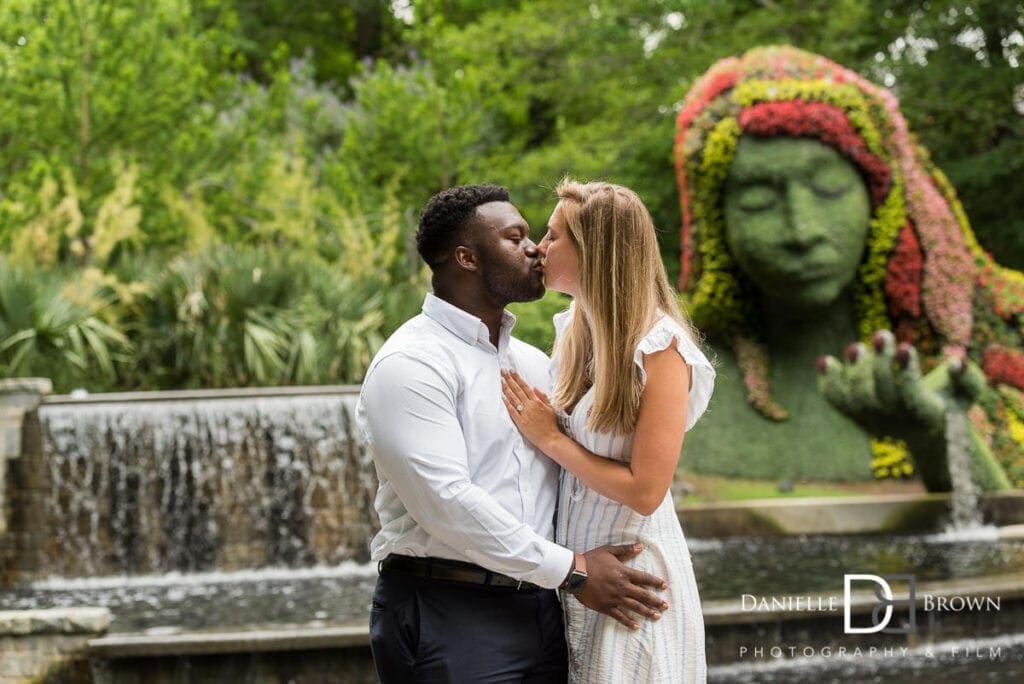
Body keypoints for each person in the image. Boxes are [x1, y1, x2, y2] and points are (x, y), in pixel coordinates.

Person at [357, 183, 671, 683]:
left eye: (536, 235)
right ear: (466, 257)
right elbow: (446, 501)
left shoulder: (532, 363)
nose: (535, 248)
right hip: (450, 611)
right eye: (515, 236)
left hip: (544, 613)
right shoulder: (412, 363)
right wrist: (574, 570)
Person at [672, 44, 1017, 491]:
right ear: (714, 224)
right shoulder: (662, 370)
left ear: (881, 199)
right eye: (758, 198)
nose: (802, 230)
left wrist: (932, 436)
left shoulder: (996, 344)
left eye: (829, 188)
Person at [501, 179, 715, 682]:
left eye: (554, 237)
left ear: (595, 250)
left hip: (634, 584)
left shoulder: (662, 348)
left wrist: (551, 438)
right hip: (581, 580)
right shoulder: (575, 328)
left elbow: (646, 490)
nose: (539, 247)